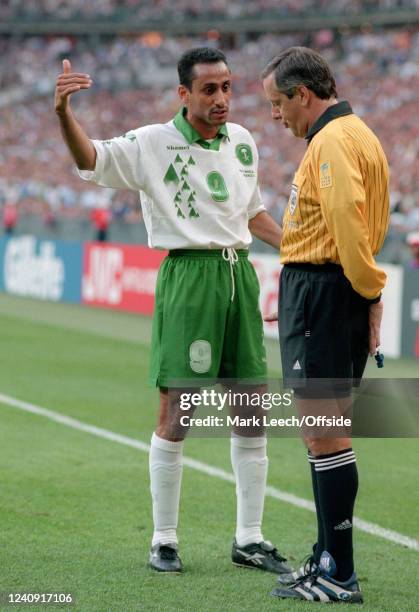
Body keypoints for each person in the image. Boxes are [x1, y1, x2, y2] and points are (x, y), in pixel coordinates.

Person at [55, 47, 291, 575]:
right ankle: (164, 539)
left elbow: (254, 215)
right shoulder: (150, 142)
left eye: (227, 87)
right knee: (177, 415)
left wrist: (300, 249)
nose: (221, 98)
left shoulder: (244, 143)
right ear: (183, 94)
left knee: (252, 413)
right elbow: (89, 159)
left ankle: (249, 537)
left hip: (239, 274)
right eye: (209, 89)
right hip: (188, 276)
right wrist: (63, 114)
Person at [261, 47, 389, 603]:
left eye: (277, 104)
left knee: (324, 432)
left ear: (303, 96)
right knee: (322, 433)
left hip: (326, 295)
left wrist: (369, 293)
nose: (275, 115)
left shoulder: (333, 142)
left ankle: (339, 572)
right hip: (320, 296)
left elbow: (346, 225)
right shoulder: (357, 133)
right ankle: (327, 557)